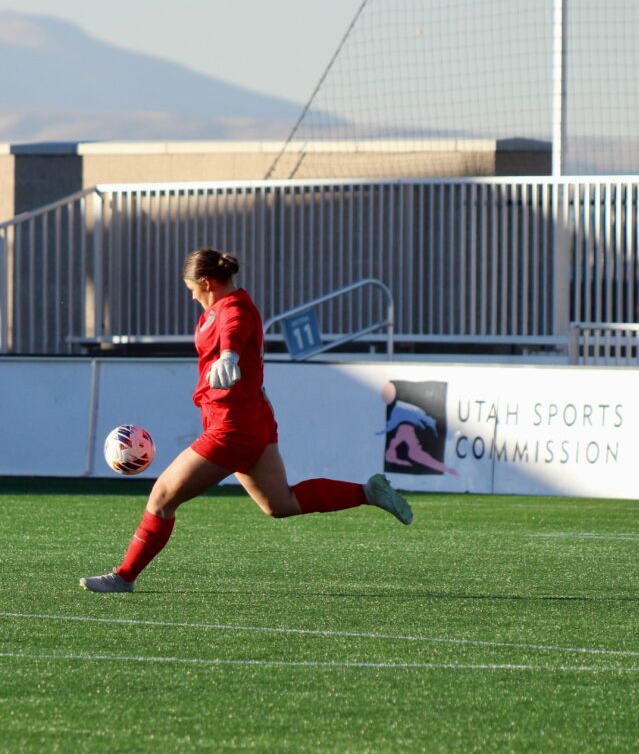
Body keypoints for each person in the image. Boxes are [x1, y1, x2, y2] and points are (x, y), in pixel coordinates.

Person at [81, 248, 414, 593]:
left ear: (206, 283)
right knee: (279, 503)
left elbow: (234, 329)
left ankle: (124, 577)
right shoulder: (220, 309)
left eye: (192, 288)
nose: (191, 295)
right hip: (250, 419)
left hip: (232, 428)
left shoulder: (234, 308)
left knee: (162, 497)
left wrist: (229, 355)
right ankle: (368, 492)